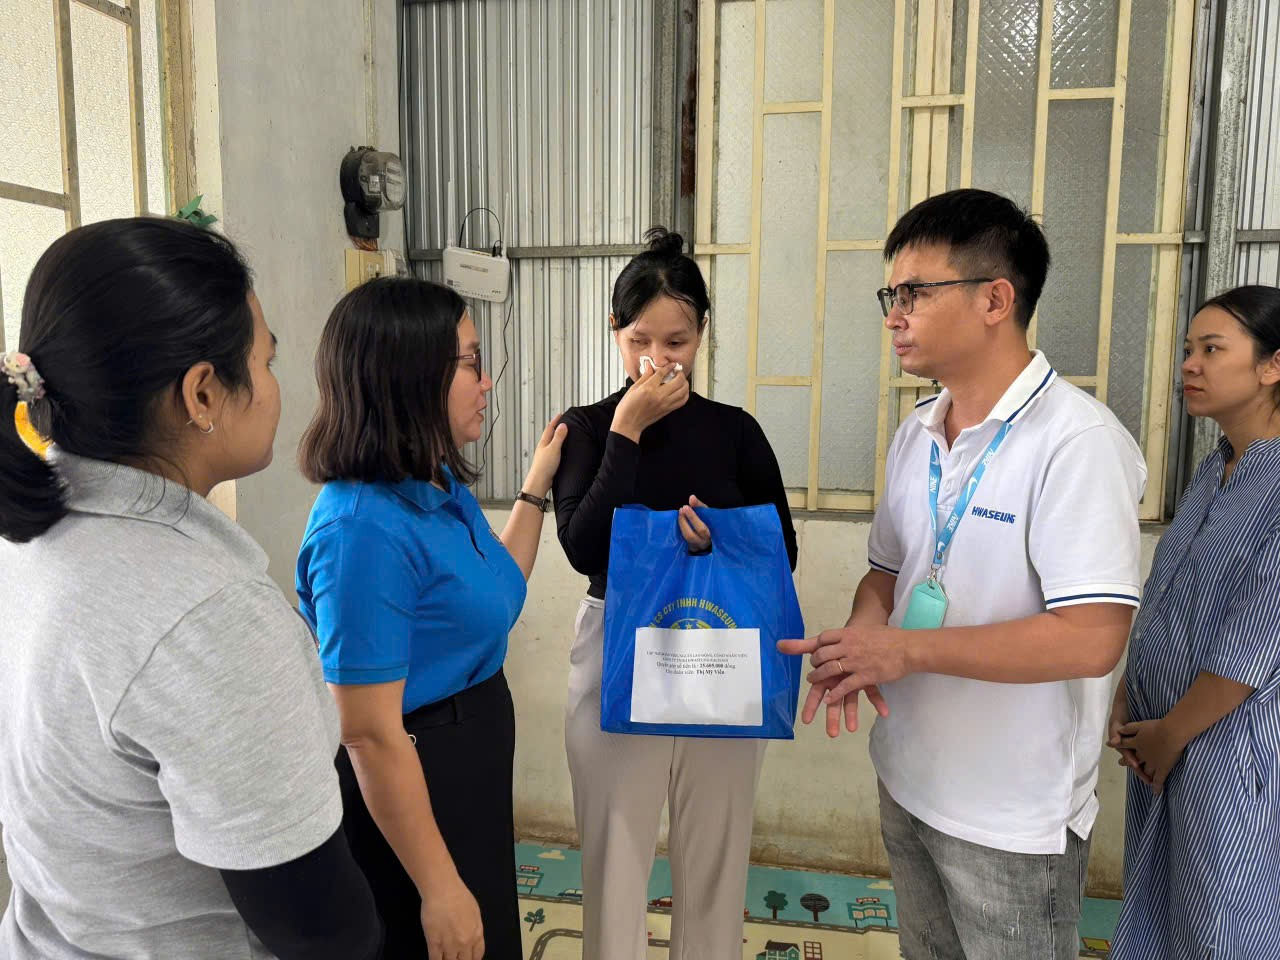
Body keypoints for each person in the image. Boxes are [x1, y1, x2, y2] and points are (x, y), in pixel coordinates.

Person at [0, 217, 381, 960]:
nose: (276, 388)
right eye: (265, 361)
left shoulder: (30, 536)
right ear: (203, 393)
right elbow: (320, 927)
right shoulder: (208, 615)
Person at [779, 189, 1146, 959]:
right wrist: (863, 642)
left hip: (1011, 815)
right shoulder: (917, 432)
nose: (894, 316)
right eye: (891, 295)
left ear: (995, 300)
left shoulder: (1076, 442)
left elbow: (1091, 640)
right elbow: (886, 574)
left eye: (914, 292)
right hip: (909, 775)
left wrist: (906, 649)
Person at [295, 276, 566, 960]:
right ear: (411, 378)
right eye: (471, 362)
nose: (486, 382)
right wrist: (439, 887)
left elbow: (497, 591)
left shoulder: (434, 487)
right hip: (413, 786)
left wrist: (538, 483)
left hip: (468, 765)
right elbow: (367, 732)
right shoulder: (362, 531)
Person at [552, 227, 798, 960]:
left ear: (702, 335)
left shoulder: (735, 432)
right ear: (614, 330)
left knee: (715, 861)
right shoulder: (587, 428)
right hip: (618, 647)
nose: (657, 359)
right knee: (614, 857)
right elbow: (583, 550)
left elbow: (780, 552)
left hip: (720, 645)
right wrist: (627, 430)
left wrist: (716, 541)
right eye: (639, 340)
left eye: (677, 341)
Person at [1109, 286, 1280, 960]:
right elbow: (1165, 598)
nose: (1189, 365)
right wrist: (1130, 696)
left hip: (1227, 749)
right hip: (1164, 739)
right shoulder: (1214, 471)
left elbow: (1254, 638)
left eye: (1212, 349)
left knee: (1226, 921)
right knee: (1160, 913)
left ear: (1272, 365)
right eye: (1187, 349)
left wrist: (1172, 732)